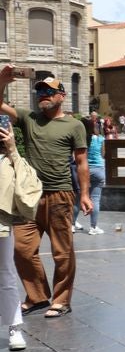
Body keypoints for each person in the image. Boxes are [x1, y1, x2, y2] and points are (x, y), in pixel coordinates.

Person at [0, 74, 91, 319]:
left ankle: (61, 300)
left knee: (62, 252)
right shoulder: (29, 119)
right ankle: (37, 296)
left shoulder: (74, 125)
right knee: (21, 249)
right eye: (40, 91)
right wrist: (2, 81)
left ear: (61, 95)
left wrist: (84, 194)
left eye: (49, 92)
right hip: (29, 196)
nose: (43, 96)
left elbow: (81, 162)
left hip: (60, 195)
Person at [0, 122, 40, 350]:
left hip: (1, 221)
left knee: (5, 273)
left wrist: (13, 149)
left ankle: (14, 327)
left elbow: (29, 183)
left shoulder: (10, 160)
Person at [74, 117, 106, 235]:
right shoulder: (101, 138)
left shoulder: (81, 139)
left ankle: (72, 224)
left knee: (78, 198)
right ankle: (93, 227)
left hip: (84, 169)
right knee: (95, 199)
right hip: (98, 169)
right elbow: (103, 154)